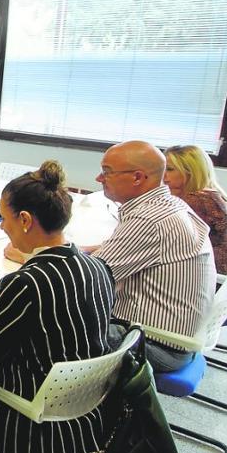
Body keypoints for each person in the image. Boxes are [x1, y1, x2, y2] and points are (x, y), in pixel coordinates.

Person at [0, 161, 117, 453]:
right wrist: (0, 307)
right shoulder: (97, 267)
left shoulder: (27, 283)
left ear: (25, 220)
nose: (2, 227)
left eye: (4, 219)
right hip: (84, 409)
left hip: (29, 425)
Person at [91, 140, 215, 372]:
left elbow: (87, 279)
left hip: (154, 344)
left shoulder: (148, 220)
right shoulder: (169, 205)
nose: (99, 179)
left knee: (46, 320)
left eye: (106, 172)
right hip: (178, 337)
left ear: (138, 178)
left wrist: (40, 252)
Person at [164, 145, 227, 274]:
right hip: (216, 268)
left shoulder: (196, 201)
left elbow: (169, 241)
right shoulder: (209, 194)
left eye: (169, 169)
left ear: (191, 172)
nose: (163, 175)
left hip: (205, 275)